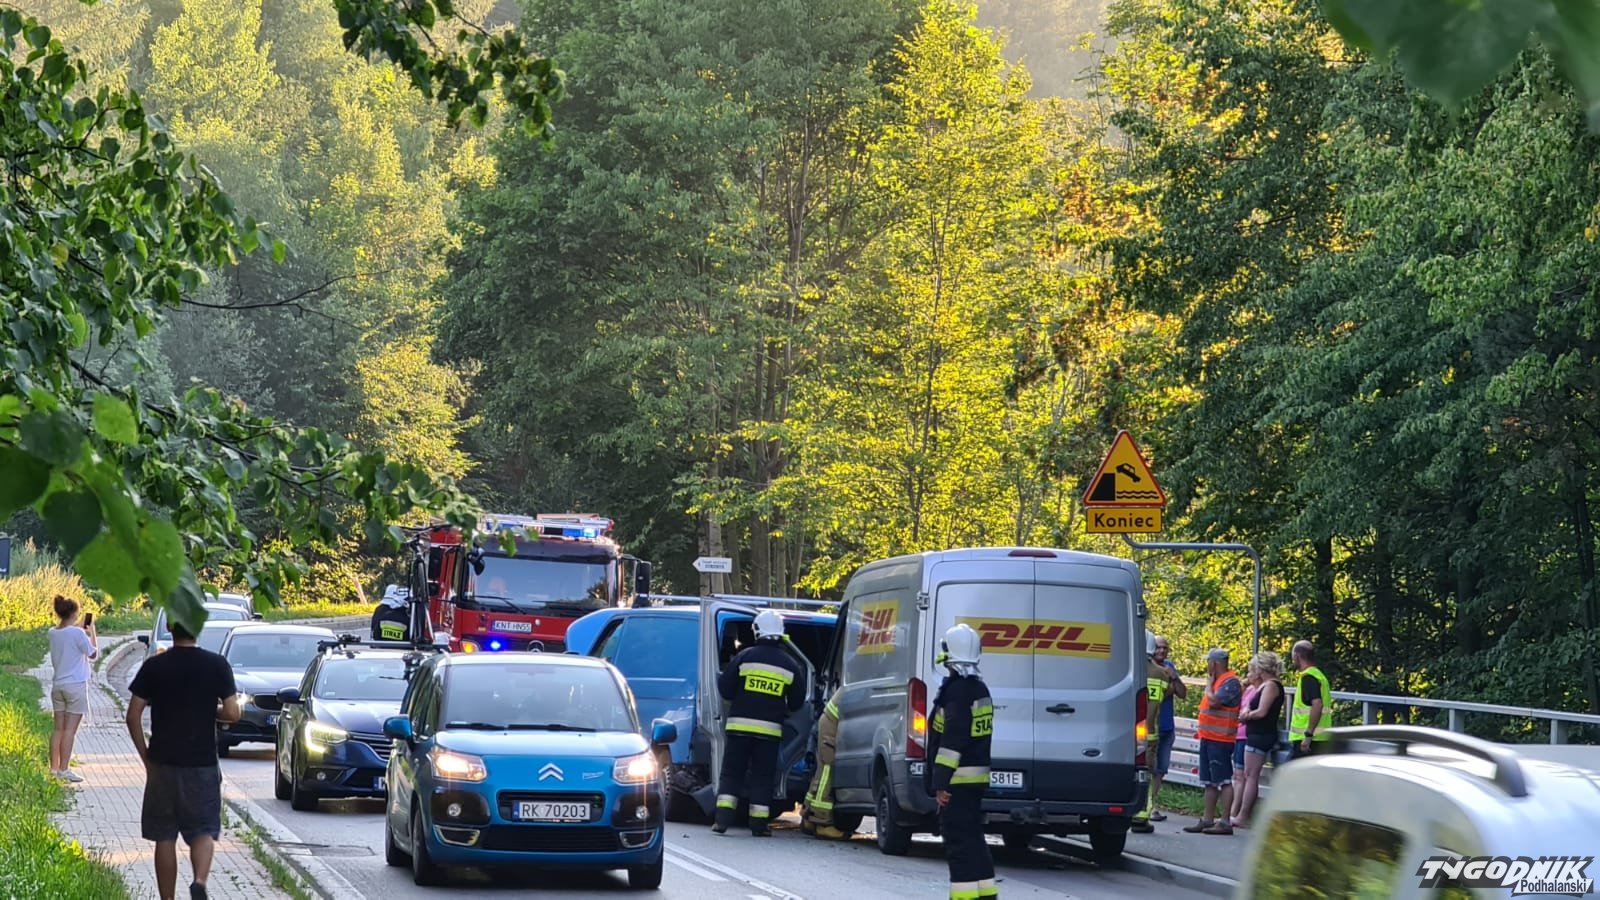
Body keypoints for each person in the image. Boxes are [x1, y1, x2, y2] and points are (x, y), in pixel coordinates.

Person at [125, 618, 242, 900]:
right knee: (203, 830)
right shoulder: (217, 665)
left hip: (162, 763)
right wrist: (209, 711)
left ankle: (168, 898)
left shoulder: (155, 666)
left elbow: (132, 715)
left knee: (164, 836)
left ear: (170, 629)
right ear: (197, 628)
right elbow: (233, 713)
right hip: (202, 764)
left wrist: (146, 757)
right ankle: (199, 881)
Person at [712, 610, 806, 837]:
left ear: (757, 631)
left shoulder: (744, 657)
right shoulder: (790, 665)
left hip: (738, 729)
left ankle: (722, 820)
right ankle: (758, 825)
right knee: (762, 777)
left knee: (732, 774)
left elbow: (725, 689)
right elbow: (797, 702)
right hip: (769, 733)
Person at [927, 623, 997, 900]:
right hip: (975, 779)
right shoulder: (980, 689)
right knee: (973, 839)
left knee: (958, 844)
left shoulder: (956, 692)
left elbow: (953, 740)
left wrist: (941, 782)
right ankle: (986, 895)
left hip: (957, 780)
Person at [1184, 648, 1241, 835]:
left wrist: (1208, 686)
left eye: (1208, 662)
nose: (1207, 665)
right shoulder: (1219, 681)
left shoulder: (1230, 682)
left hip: (1221, 740)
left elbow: (1214, 702)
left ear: (1214, 663)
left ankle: (1224, 822)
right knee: (1209, 781)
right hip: (1208, 737)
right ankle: (1207, 820)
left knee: (1223, 780)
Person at [48, 595, 98, 782]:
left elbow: (67, 637)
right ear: (75, 614)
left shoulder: (52, 632)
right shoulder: (78, 634)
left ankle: (53, 769)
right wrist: (92, 633)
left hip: (58, 685)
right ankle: (64, 769)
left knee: (58, 729)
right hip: (75, 686)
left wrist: (80, 632)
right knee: (70, 731)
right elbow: (93, 654)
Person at [1234, 651, 1284, 827]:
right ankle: (1241, 814)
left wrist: (1246, 716)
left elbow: (1262, 711)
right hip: (1256, 733)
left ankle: (1243, 816)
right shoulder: (1264, 686)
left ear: (1261, 669)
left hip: (1261, 734)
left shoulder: (1271, 686)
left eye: (1254, 668)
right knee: (1248, 775)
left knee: (1251, 775)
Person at [801, 685, 848, 840]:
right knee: (827, 771)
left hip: (829, 721)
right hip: (832, 725)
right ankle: (822, 822)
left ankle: (808, 817)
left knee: (822, 771)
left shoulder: (856, 679)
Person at [1132, 630, 1165, 833]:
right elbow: (1163, 698)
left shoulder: (1125, 668)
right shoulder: (1161, 674)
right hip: (1149, 735)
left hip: (1122, 734)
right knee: (1146, 775)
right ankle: (1141, 816)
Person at [1149, 635, 1185, 819]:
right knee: (1148, 767)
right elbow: (1163, 693)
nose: (1161, 651)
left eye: (1165, 648)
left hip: (1166, 726)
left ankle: (1152, 804)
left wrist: (1174, 677)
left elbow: (1182, 693)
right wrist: (1169, 687)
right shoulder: (1146, 667)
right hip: (1149, 727)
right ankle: (1146, 805)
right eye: (1158, 647)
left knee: (1161, 769)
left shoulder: (1169, 666)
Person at [1228, 661, 1263, 826]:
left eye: (1250, 672)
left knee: (1241, 776)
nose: (1248, 675)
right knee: (1237, 775)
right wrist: (1243, 684)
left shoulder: (1260, 690)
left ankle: (1235, 812)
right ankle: (1232, 811)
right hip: (1238, 734)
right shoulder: (1249, 689)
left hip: (1246, 735)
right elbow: (1237, 702)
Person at [1288, 640, 1332, 759]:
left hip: (1307, 739)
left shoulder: (1308, 677)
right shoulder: (1319, 675)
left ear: (1297, 656)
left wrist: (1308, 735)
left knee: (1289, 769)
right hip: (1319, 737)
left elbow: (1317, 704)